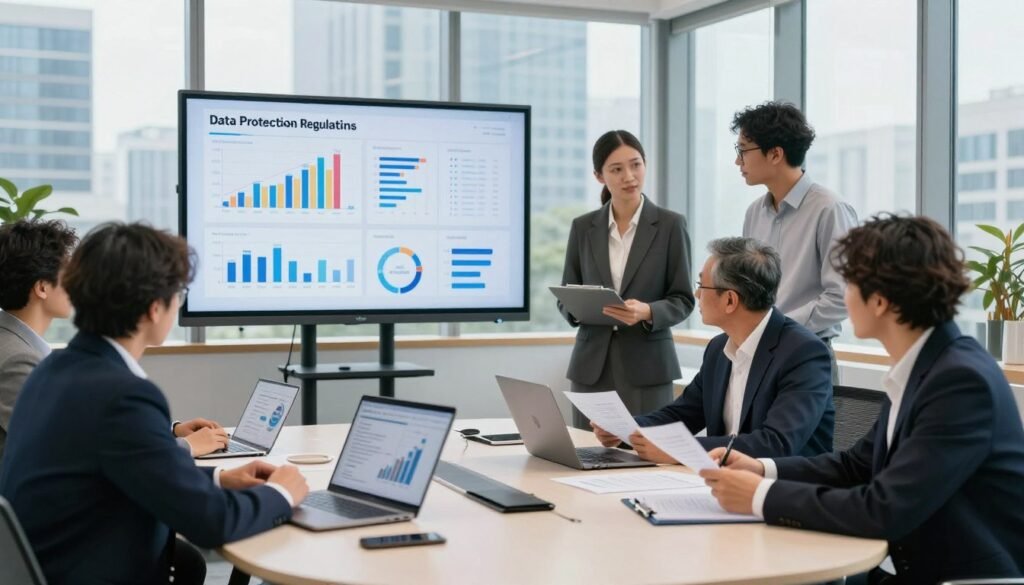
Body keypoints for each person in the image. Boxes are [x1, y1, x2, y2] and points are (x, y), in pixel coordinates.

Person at [701, 215, 1024, 584]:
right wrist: (763, 469)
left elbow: (884, 510)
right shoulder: (924, 366)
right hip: (898, 568)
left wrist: (761, 496)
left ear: (881, 301)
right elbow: (856, 466)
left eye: (850, 283)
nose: (843, 295)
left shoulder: (959, 382)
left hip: (958, 577)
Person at [0, 222, 309, 585]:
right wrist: (282, 492)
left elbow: (125, 469)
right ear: (153, 309)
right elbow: (211, 524)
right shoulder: (122, 395)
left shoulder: (55, 368)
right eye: (177, 292)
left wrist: (220, 477)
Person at [0, 219, 229, 461]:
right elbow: (61, 449)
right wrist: (185, 446)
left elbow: (81, 426)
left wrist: (167, 432)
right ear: (42, 287)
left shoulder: (26, 349)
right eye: (66, 272)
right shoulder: (18, 359)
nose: (73, 282)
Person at [592, 237, 834, 459]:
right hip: (720, 481)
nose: (696, 293)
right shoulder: (719, 348)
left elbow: (776, 443)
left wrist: (678, 449)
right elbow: (683, 414)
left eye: (702, 284)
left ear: (730, 300)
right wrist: (627, 430)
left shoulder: (803, 353)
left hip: (782, 492)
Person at [559, 130, 695, 428]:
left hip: (648, 369)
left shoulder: (671, 225)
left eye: (635, 165)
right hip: (591, 367)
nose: (628, 176)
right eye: (616, 169)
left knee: (644, 456)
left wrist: (647, 311)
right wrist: (580, 307)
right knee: (586, 455)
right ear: (599, 176)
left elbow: (684, 299)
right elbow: (566, 294)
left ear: (645, 165)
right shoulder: (583, 228)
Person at [734, 101, 858, 383]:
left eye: (743, 150)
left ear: (775, 154)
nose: (738, 161)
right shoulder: (754, 212)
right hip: (758, 354)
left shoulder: (830, 209)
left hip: (807, 354)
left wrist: (778, 328)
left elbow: (844, 296)